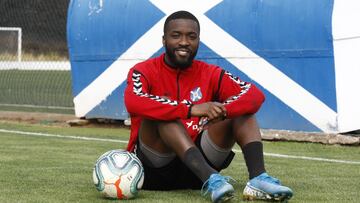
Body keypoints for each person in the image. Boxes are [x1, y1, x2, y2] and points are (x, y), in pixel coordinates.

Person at [124, 10, 293, 202]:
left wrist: (224, 110)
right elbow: (133, 100)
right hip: (157, 168)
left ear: (198, 41)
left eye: (192, 36)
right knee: (164, 118)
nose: (184, 42)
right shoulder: (143, 70)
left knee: (242, 111)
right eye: (176, 35)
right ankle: (211, 179)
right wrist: (190, 109)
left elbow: (254, 95)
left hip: (199, 166)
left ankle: (258, 179)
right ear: (164, 40)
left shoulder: (210, 73)